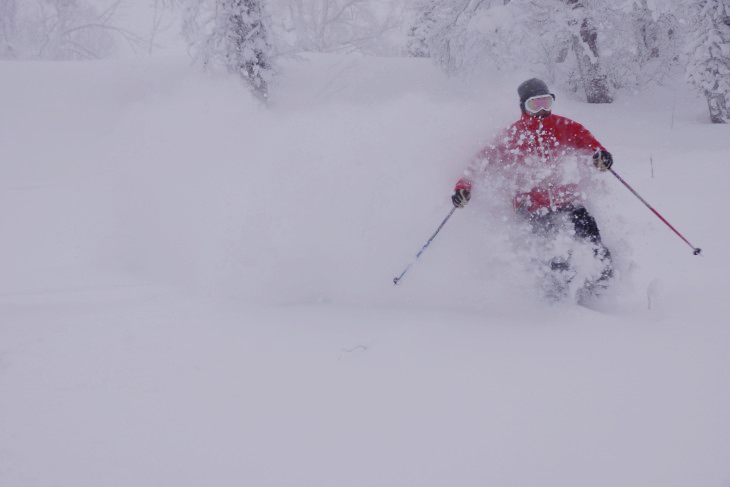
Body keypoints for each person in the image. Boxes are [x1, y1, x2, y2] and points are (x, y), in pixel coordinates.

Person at [451, 78, 614, 299]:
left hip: (564, 197)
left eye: (546, 102)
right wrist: (464, 187)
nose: (542, 110)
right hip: (530, 204)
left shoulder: (564, 126)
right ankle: (555, 295)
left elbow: (588, 143)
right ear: (523, 106)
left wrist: (600, 155)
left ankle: (601, 282)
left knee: (587, 229)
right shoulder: (511, 136)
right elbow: (480, 163)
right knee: (551, 245)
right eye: (535, 105)